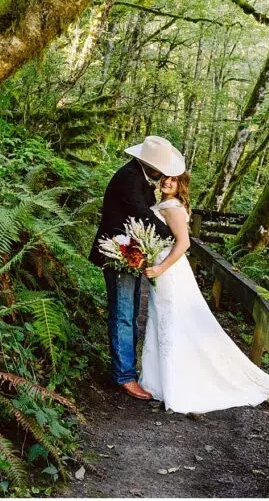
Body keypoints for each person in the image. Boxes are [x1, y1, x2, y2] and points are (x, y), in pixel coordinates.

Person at [139, 171, 269, 414]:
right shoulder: (163, 204)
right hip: (162, 266)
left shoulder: (173, 208)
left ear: (181, 185)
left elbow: (184, 243)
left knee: (171, 321)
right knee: (161, 320)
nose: (167, 182)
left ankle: (175, 384)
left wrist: (159, 268)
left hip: (169, 271)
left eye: (174, 180)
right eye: (166, 177)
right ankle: (158, 380)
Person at [89, 136, 182, 400]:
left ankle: (127, 369)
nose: (163, 174)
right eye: (161, 169)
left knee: (130, 313)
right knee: (122, 314)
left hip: (132, 254)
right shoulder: (129, 178)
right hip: (118, 254)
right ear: (151, 164)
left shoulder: (139, 176)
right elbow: (143, 215)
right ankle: (124, 376)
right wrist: (173, 235)